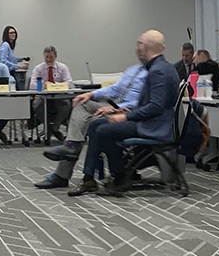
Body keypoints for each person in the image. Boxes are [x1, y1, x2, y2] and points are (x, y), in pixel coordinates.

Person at [77, 30, 179, 197]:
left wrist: (126, 116)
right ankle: (90, 177)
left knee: (102, 130)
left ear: (145, 48)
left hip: (154, 126)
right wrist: (128, 110)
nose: (137, 49)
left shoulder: (157, 71)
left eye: (139, 45)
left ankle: (119, 176)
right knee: (96, 124)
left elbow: (156, 107)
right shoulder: (163, 67)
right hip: (154, 121)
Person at [36, 48, 154, 191]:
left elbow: (149, 103)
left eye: (144, 48)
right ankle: (71, 146)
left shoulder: (154, 74)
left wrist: (118, 109)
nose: (140, 51)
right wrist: (91, 94)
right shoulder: (133, 70)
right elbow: (115, 89)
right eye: (139, 47)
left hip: (128, 112)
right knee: (82, 104)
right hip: (112, 104)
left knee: (89, 123)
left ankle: (65, 175)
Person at [29, 46, 73, 139]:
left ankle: (54, 127)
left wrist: (54, 85)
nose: (48, 60)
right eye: (46, 57)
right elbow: (32, 85)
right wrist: (42, 85)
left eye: (51, 57)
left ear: (55, 57)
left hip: (59, 95)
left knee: (67, 105)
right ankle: (49, 126)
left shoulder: (62, 68)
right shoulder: (38, 68)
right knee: (36, 105)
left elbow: (70, 83)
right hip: (42, 95)